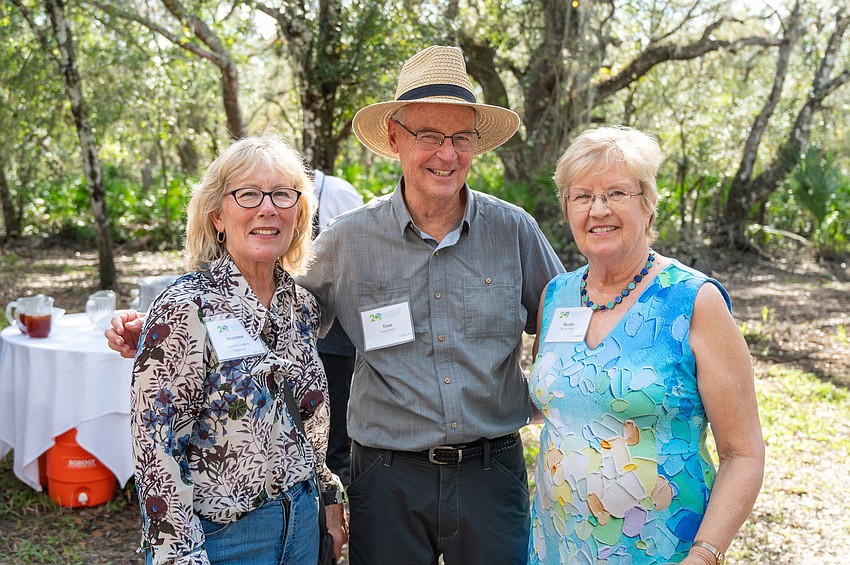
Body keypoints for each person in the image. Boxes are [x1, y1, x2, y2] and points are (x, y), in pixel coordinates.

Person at [107, 45, 565, 565]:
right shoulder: (348, 241)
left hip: (492, 473)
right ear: (394, 137)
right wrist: (160, 327)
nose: (447, 154)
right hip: (388, 481)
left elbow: (570, 319)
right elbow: (253, 295)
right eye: (429, 136)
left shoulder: (514, 231)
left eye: (461, 138)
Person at [528, 126, 765, 564]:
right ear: (566, 208)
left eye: (616, 193)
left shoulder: (694, 301)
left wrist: (704, 555)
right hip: (558, 546)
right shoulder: (556, 296)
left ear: (649, 204)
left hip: (664, 550)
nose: (598, 209)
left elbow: (743, 454)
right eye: (582, 196)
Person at [127, 135, 347, 565]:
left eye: (282, 194)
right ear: (217, 216)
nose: (267, 208)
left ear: (299, 214)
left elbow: (307, 424)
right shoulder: (185, 308)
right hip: (225, 541)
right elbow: (157, 448)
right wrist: (181, 556)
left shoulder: (301, 307)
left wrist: (329, 496)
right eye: (247, 194)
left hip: (303, 526)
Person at [311, 169, 364, 486]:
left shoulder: (338, 193)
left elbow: (360, 257)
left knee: (338, 406)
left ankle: (340, 474)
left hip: (341, 329)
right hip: (315, 322)